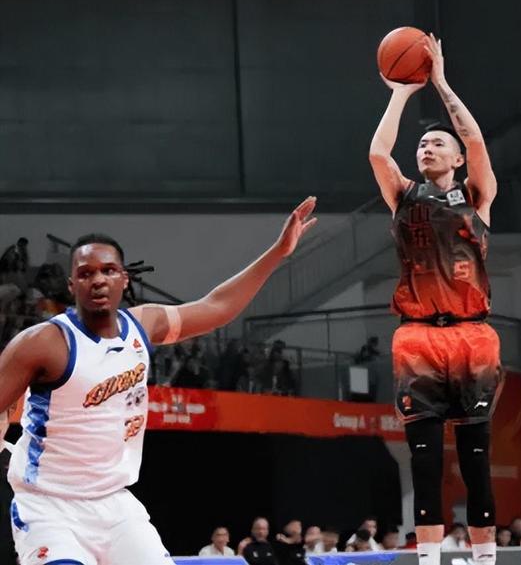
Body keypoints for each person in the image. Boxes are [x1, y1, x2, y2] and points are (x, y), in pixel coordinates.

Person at [0, 197, 317, 565]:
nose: (98, 279)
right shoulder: (43, 343)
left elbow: (217, 307)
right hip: (50, 507)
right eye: (86, 273)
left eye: (108, 270)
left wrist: (278, 253)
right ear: (72, 285)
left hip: (114, 503)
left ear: (124, 279)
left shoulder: (144, 325)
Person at [369, 33, 501, 565]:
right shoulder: (403, 195)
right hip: (418, 336)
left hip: (471, 334)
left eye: (437, 144)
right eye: (422, 145)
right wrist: (401, 92)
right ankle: (428, 559)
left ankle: (485, 559)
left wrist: (441, 83)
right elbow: (378, 153)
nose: (427, 148)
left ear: (456, 158)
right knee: (424, 462)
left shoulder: (475, 194)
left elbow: (475, 140)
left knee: (475, 460)